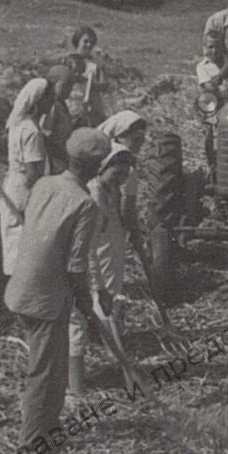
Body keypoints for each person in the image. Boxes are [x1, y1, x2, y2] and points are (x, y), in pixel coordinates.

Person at [4, 129, 108, 452]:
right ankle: (31, 444)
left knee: (55, 364)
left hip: (21, 288)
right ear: (96, 168)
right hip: (45, 299)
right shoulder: (84, 204)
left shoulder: (44, 184)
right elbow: (76, 266)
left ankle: (49, 427)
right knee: (45, 371)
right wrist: (87, 306)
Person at [70, 145, 135, 399]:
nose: (120, 180)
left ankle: (115, 355)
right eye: (116, 174)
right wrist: (98, 286)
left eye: (124, 175)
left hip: (109, 250)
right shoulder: (95, 193)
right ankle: (80, 385)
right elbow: (89, 246)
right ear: (102, 169)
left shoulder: (112, 189)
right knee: (98, 308)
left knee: (110, 304)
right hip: (93, 255)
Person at [1, 77, 54, 275]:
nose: (52, 102)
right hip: (24, 189)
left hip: (14, 186)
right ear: (39, 100)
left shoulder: (18, 124)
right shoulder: (32, 131)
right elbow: (33, 173)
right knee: (24, 245)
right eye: (50, 98)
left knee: (14, 243)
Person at [98, 110, 148, 240]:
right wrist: (137, 239)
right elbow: (127, 211)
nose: (140, 143)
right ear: (120, 137)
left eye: (142, 139)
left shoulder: (98, 154)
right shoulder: (126, 166)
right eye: (136, 139)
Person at [68, 25, 111, 126]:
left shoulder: (96, 63)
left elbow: (104, 85)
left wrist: (91, 83)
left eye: (91, 42)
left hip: (91, 105)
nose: (89, 45)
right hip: (72, 104)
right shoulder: (68, 60)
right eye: (85, 41)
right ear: (78, 41)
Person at [41, 64, 79, 175]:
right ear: (53, 83)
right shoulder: (51, 106)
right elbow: (46, 134)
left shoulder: (61, 104)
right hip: (54, 157)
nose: (69, 90)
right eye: (66, 86)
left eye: (71, 86)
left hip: (62, 154)